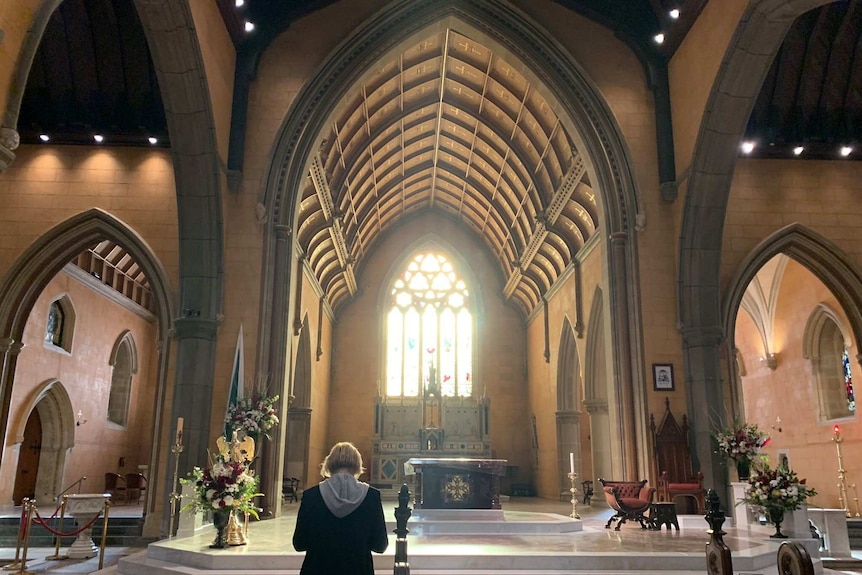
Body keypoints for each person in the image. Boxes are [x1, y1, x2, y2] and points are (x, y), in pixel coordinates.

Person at [292, 441, 388, 574]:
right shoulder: (372, 496)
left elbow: (299, 543)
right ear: (357, 465)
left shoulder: (311, 496)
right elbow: (380, 545)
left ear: (329, 464)